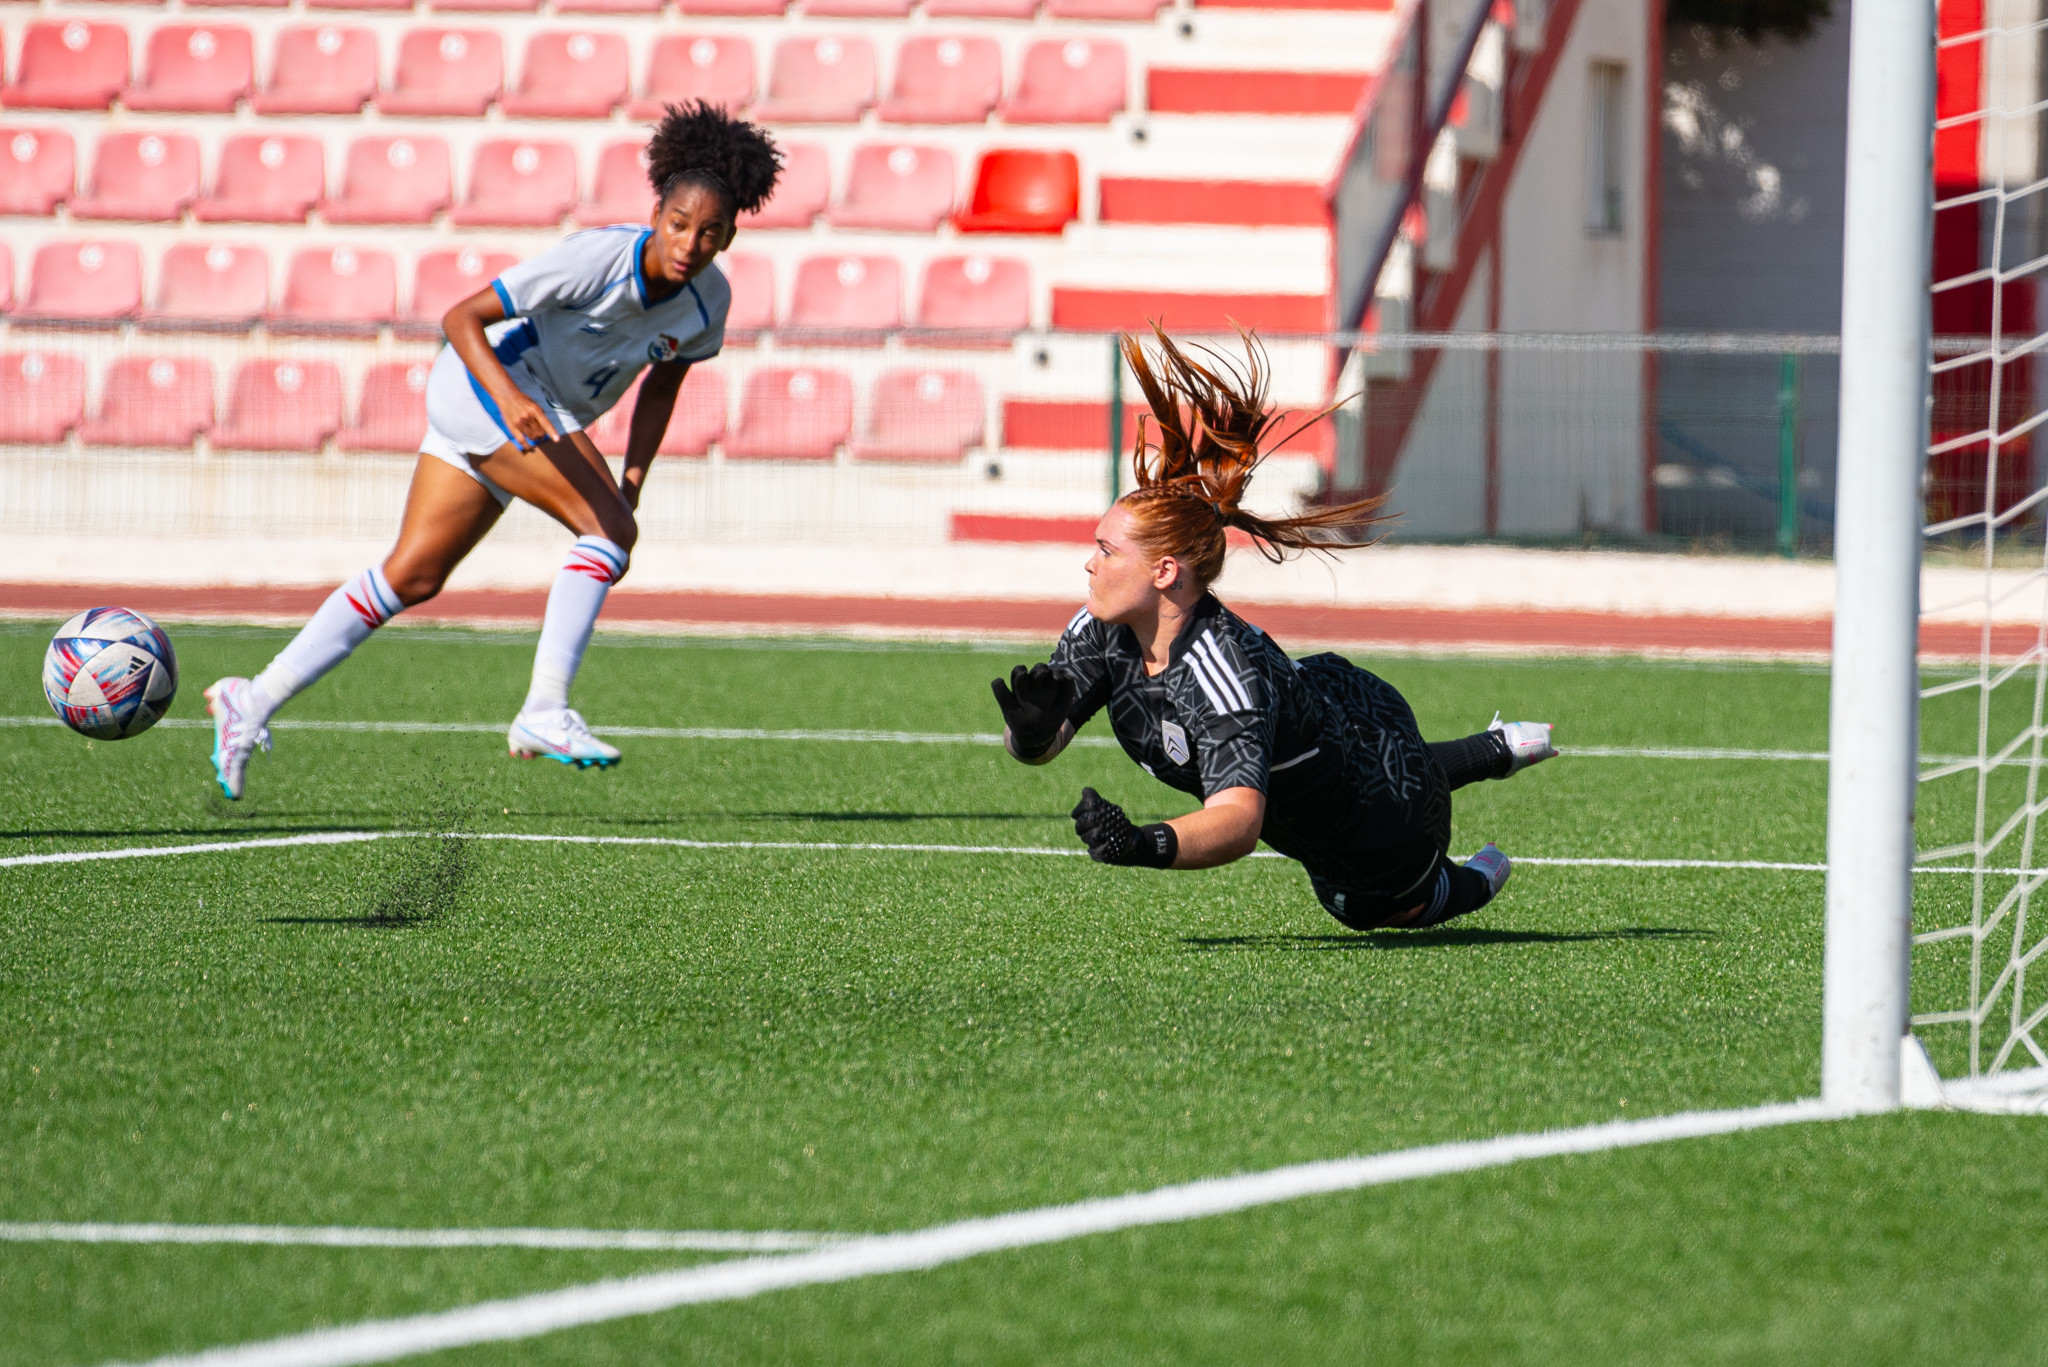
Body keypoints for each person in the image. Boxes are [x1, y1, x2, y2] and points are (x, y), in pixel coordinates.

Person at [201, 103, 782, 799]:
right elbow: (462, 317)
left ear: (730, 236)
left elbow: (663, 387)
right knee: (609, 535)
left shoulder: (708, 302)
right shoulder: (596, 257)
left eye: (709, 233)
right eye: (679, 223)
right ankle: (544, 708)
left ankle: (252, 698)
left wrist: (632, 477)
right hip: (489, 390)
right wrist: (510, 401)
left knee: (411, 576)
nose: (689, 242)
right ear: (657, 211)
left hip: (530, 417)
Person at [991, 327, 1557, 930]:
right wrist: (1028, 735)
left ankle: (1479, 874)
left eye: (1105, 550)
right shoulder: (1101, 626)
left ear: (1163, 571)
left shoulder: (1219, 673)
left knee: (1365, 908)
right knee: (1327, 768)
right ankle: (1498, 748)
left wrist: (1141, 844)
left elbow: (1237, 821)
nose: (1089, 563)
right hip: (1331, 717)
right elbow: (1042, 747)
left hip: (1381, 809)